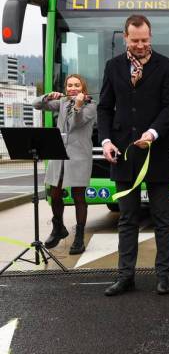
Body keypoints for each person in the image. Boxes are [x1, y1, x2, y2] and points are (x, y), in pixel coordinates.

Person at [98, 14, 169, 296]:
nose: (141, 45)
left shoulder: (166, 66)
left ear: (151, 37)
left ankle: (165, 275)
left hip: (156, 152)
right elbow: (105, 108)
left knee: (162, 218)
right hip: (122, 154)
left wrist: (153, 133)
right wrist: (106, 140)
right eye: (135, 40)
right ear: (125, 38)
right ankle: (125, 276)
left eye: (145, 39)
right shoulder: (112, 67)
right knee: (127, 218)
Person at [33, 74, 96, 255]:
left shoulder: (91, 105)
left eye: (77, 85)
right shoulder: (61, 102)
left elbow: (75, 123)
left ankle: (79, 237)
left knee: (78, 197)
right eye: (69, 85)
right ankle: (58, 226)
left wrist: (78, 105)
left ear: (83, 88)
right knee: (54, 193)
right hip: (58, 155)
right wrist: (47, 96)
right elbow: (36, 105)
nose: (73, 88)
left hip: (79, 157)